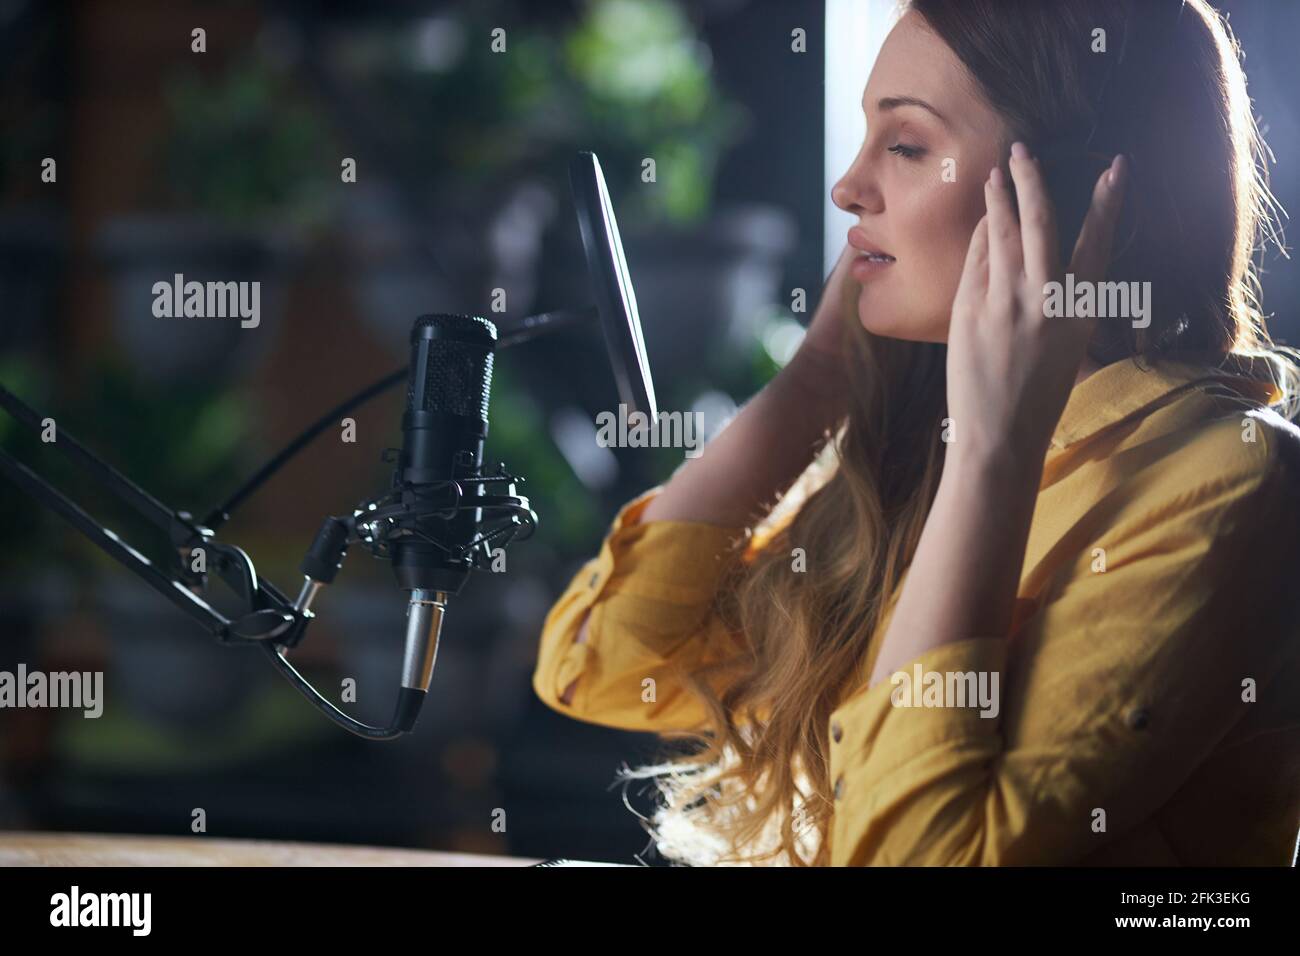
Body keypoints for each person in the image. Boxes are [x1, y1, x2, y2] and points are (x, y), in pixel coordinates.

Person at [533, 0, 1300, 865]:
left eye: (905, 145)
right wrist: (818, 377)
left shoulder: (1222, 481)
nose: (848, 187)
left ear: (1075, 195)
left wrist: (990, 463)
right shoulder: (927, 440)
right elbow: (599, 667)